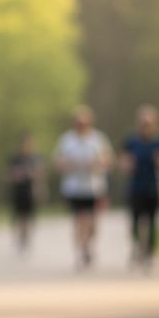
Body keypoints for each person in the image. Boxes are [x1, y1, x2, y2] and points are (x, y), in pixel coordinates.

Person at [52, 106, 113, 269]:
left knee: (92, 221)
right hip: (73, 187)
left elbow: (108, 160)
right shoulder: (66, 140)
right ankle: (80, 250)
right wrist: (68, 164)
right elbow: (57, 162)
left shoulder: (98, 139)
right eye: (78, 123)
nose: (81, 125)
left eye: (84, 123)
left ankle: (89, 245)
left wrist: (97, 163)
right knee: (79, 220)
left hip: (94, 186)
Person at [118, 104, 159, 270]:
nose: (146, 126)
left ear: (155, 123)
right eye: (143, 122)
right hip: (136, 187)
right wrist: (127, 165)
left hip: (154, 187)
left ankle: (150, 252)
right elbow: (123, 161)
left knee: (152, 222)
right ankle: (137, 247)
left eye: (148, 123)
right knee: (135, 221)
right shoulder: (131, 140)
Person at [6, 132, 45, 256]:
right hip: (18, 190)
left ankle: (27, 236)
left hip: (30, 190)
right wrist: (18, 175)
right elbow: (9, 174)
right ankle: (20, 236)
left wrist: (40, 187)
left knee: (29, 216)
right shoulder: (16, 159)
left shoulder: (35, 158)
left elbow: (40, 174)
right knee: (19, 216)